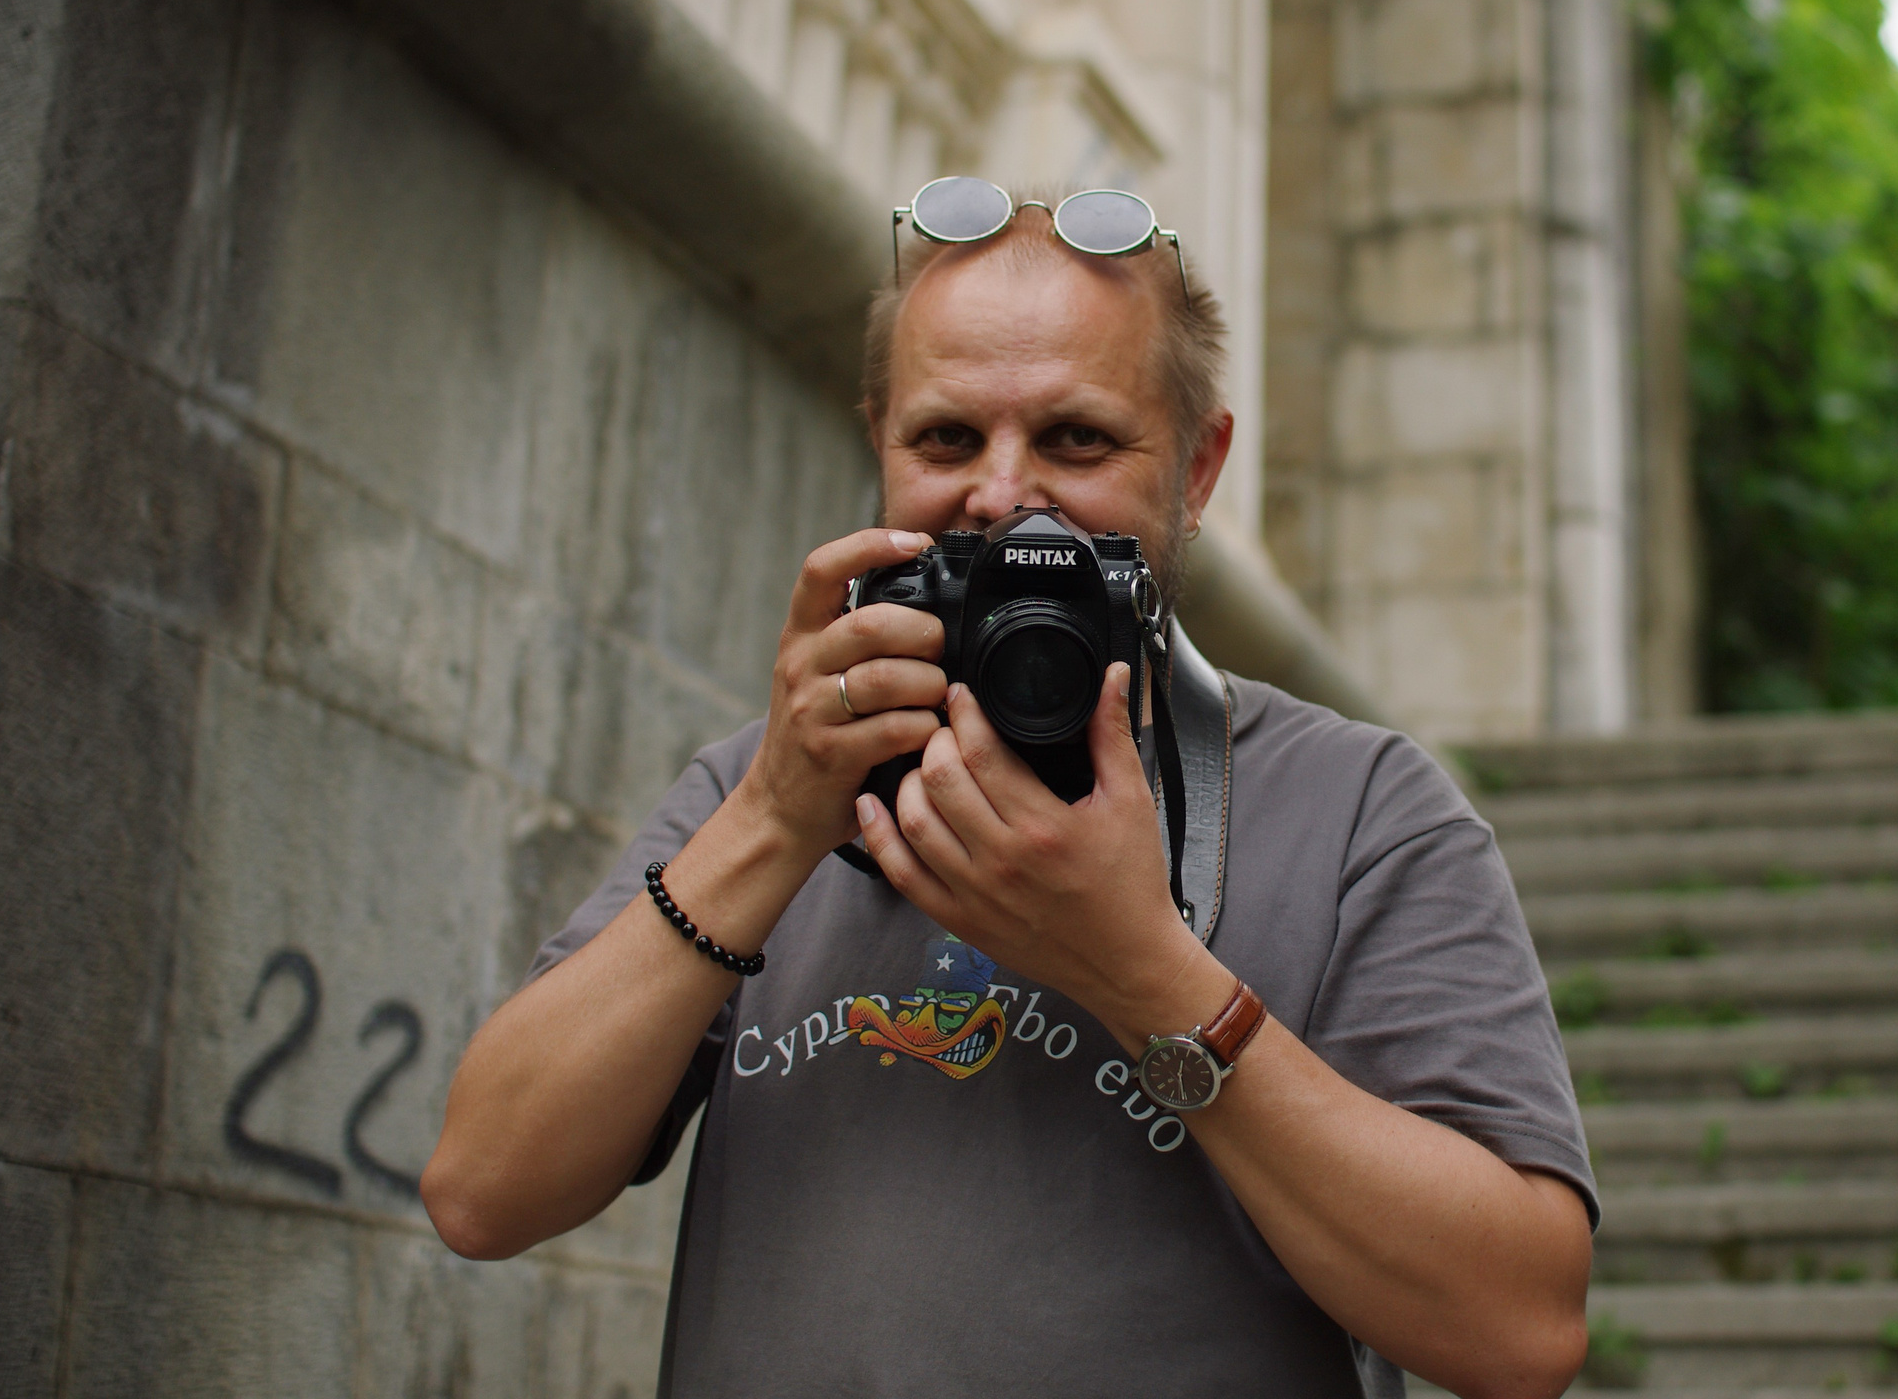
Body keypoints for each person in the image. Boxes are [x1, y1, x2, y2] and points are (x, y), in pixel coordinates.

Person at [421, 182, 1595, 1399]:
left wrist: (1139, 969)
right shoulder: (764, 788)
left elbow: (1517, 1330)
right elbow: (482, 1190)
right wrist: (774, 819)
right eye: (944, 439)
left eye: (1077, 439)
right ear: (877, 440)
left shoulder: (1358, 811)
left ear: (1196, 468)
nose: (1002, 496)